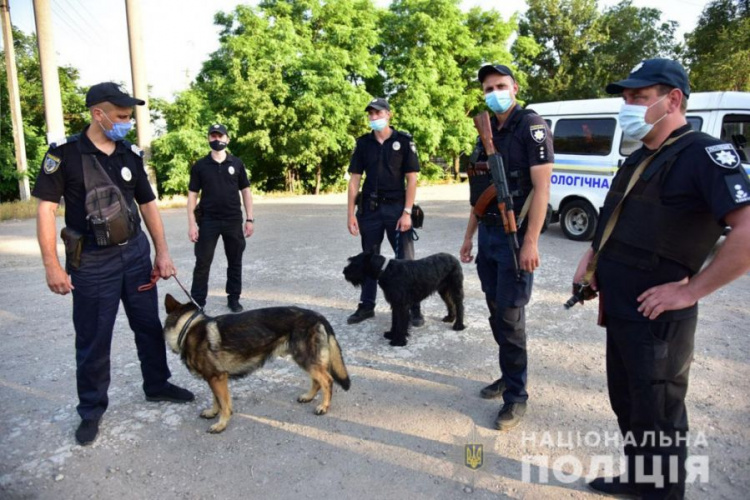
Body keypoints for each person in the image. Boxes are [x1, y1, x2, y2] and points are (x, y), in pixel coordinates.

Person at [572, 59, 750, 498]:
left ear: (672, 100)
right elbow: (620, 220)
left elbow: (747, 229)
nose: (626, 106)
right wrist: (593, 260)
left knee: (660, 417)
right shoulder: (641, 157)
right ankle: (639, 480)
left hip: (660, 321)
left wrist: (692, 290)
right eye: (625, 97)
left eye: (638, 97)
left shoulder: (703, 154)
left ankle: (663, 492)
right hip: (623, 309)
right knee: (630, 405)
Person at [32, 82, 194, 446]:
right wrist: (51, 265)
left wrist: (162, 252)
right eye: (121, 116)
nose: (127, 122)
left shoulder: (129, 154)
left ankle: (157, 384)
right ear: (97, 114)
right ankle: (91, 410)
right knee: (93, 338)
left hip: (134, 256)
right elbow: (45, 209)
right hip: (90, 262)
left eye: (128, 116)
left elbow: (148, 205)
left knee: (148, 326)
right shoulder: (65, 155)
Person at [459, 64, 553, 430]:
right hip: (489, 235)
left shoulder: (531, 127)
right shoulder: (483, 132)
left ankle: (517, 396)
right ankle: (508, 376)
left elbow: (543, 190)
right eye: (488, 87)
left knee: (511, 320)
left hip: (517, 238)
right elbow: (479, 195)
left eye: (501, 85)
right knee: (497, 314)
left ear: (514, 87)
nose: (495, 92)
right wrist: (469, 237)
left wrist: (531, 242)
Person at [346, 97, 423, 326]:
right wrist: (350, 214)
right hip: (370, 209)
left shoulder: (404, 141)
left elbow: (412, 179)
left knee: (406, 261)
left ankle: (414, 308)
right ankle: (367, 306)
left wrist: (407, 212)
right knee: (369, 259)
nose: (374, 118)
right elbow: (354, 181)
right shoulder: (363, 144)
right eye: (370, 114)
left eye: (378, 113)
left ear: (389, 114)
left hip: (397, 209)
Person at [187, 123, 254, 312]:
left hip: (233, 219)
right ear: (208, 139)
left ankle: (234, 298)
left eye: (220, 136)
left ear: (227, 139)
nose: (217, 140)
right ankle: (198, 301)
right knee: (202, 262)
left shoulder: (237, 163)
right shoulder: (200, 166)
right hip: (208, 221)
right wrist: (192, 224)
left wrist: (250, 218)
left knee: (235, 261)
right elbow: (192, 195)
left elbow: (246, 191)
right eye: (213, 136)